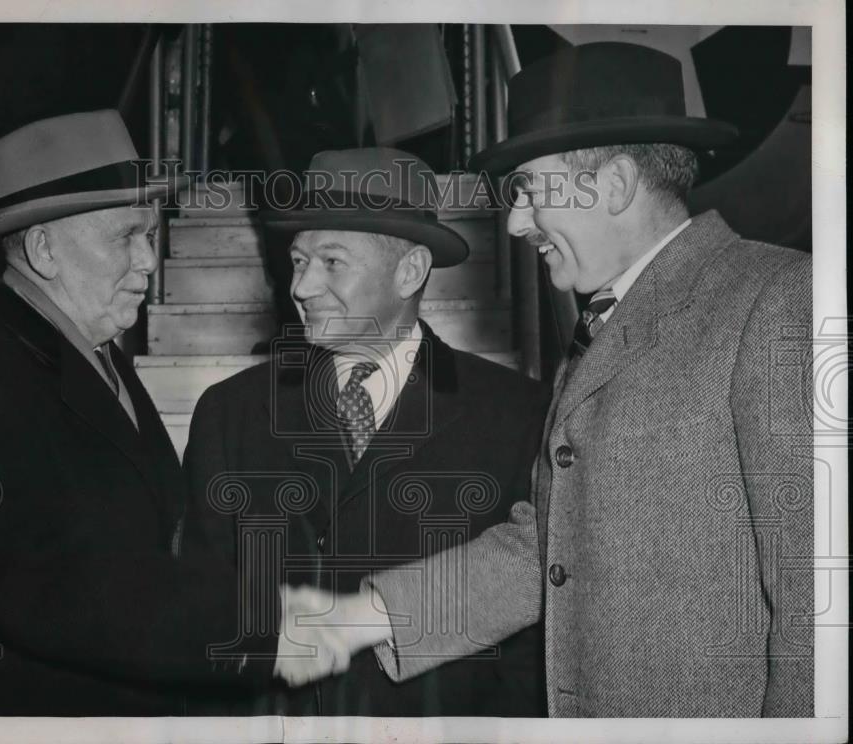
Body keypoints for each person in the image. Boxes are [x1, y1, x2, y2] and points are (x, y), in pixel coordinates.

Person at [280, 42, 814, 718]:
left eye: (532, 190)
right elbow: (551, 544)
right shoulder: (598, 333)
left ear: (613, 184)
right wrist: (361, 616)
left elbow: (819, 596)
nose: (516, 221)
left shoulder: (775, 301)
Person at [0, 110, 280, 715]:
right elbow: (27, 595)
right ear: (44, 249)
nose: (149, 261)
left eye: (149, 235)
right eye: (126, 236)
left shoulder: (96, 352)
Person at [182, 147, 551, 715]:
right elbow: (204, 616)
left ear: (410, 271)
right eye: (298, 261)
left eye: (331, 263)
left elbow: (532, 639)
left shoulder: (519, 414)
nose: (302, 287)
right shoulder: (229, 413)